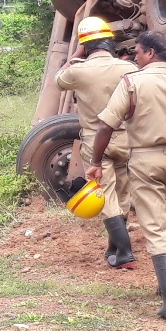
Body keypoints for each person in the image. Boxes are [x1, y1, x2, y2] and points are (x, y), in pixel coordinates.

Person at [88, 31, 166, 319]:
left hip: (146, 159)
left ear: (150, 53)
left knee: (155, 225)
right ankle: (165, 289)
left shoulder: (133, 82)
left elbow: (105, 126)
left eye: (137, 51)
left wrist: (95, 161)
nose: (134, 57)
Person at [55, 17, 138, 268]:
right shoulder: (129, 68)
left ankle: (124, 252)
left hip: (96, 140)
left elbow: (58, 79)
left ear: (86, 46)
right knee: (123, 193)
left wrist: (77, 52)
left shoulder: (78, 71)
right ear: (110, 43)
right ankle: (114, 247)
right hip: (127, 138)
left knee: (106, 195)